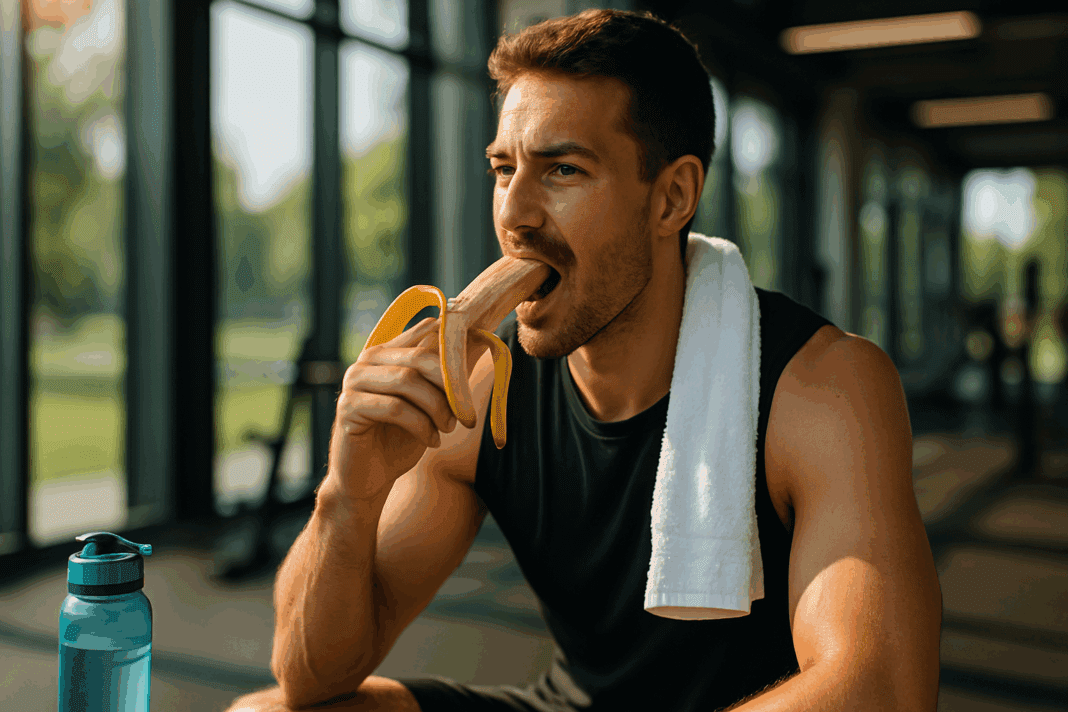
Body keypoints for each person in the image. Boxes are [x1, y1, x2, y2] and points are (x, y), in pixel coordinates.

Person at [227, 9, 942, 712]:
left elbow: (880, 689)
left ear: (672, 198)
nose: (515, 213)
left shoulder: (824, 387)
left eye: (562, 170)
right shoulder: (482, 389)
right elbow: (311, 677)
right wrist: (348, 494)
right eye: (503, 169)